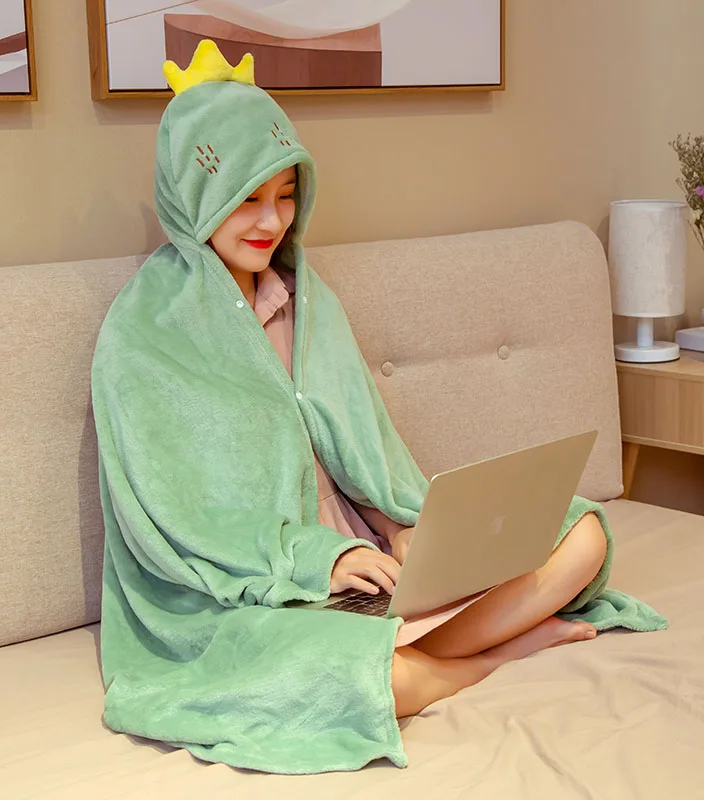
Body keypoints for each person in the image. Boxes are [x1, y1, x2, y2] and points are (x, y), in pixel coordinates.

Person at [91, 41, 666, 775]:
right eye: (248, 198)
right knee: (360, 679)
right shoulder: (143, 336)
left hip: (376, 566)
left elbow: (363, 447)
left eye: (286, 195)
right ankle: (491, 652)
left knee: (581, 535)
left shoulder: (308, 299)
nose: (272, 220)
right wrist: (321, 560)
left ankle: (431, 644)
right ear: (196, 193)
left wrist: (402, 529)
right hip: (259, 593)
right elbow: (172, 517)